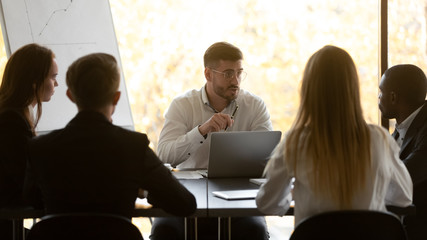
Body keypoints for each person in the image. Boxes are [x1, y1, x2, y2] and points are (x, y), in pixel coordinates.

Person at [24, 53, 196, 219]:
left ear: (71, 96)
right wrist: (143, 190)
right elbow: (185, 203)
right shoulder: (134, 146)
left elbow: (28, 200)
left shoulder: (41, 147)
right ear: (116, 97)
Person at [256, 45, 413, 227]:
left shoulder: (297, 141)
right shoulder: (379, 138)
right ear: (353, 88)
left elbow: (267, 204)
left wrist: (291, 193)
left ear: (308, 90)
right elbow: (404, 198)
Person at [151, 42, 271, 240]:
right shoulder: (182, 105)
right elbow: (164, 154)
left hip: (238, 196)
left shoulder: (255, 106)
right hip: (186, 195)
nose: (236, 80)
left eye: (239, 72)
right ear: (208, 74)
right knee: (165, 233)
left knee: (254, 233)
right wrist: (201, 131)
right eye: (228, 74)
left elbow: (268, 159)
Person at [0, 43, 58, 239]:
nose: (56, 84)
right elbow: (24, 183)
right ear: (35, 81)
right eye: (53, 77)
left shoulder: (13, 116)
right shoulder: (11, 122)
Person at [379, 64, 427, 240]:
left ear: (393, 97)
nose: (378, 97)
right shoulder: (400, 131)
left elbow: (406, 174)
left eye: (380, 92)